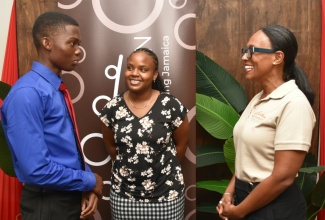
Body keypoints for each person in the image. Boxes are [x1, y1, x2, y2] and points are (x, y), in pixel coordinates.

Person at [1, 11, 103, 220]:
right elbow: (36, 170)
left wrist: (85, 183)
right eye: (72, 43)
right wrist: (89, 180)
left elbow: (64, 147)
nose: (78, 51)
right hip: (47, 205)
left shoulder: (53, 89)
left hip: (66, 198)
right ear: (47, 43)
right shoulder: (28, 93)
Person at [217, 24, 316, 219]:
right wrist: (229, 193)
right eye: (245, 51)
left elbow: (283, 178)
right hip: (247, 199)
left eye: (252, 51)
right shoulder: (259, 98)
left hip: (275, 208)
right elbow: (247, 159)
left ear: (278, 57)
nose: (245, 57)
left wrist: (240, 211)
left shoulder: (294, 103)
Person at [99, 47, 189, 219]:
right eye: (130, 67)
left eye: (143, 69)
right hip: (124, 197)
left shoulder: (171, 106)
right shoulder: (112, 108)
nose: (134, 73)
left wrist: (160, 173)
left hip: (166, 196)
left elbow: (181, 144)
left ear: (155, 75)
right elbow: (111, 147)